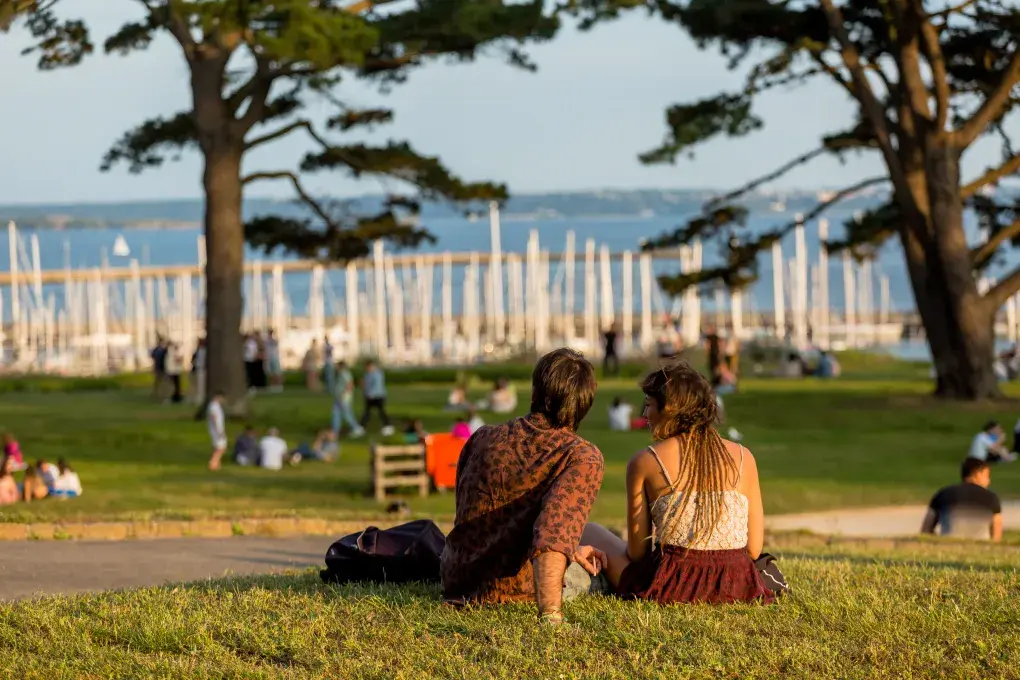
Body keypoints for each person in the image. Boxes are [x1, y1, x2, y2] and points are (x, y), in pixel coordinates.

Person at [580, 361, 774, 605]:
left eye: (649, 405)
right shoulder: (745, 457)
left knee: (591, 530)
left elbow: (638, 554)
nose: (644, 414)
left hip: (672, 587)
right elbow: (754, 550)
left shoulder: (645, 461)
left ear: (669, 408)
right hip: (736, 585)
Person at [441, 348, 608, 625]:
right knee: (598, 571)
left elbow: (473, 513)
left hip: (458, 579)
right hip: (514, 591)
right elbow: (552, 536)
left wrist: (570, 549)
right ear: (584, 406)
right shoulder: (580, 456)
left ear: (534, 393)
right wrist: (551, 615)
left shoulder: (481, 438)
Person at [922, 458, 1003, 542]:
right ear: (978, 474)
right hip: (980, 547)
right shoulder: (991, 498)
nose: (988, 481)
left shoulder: (942, 494)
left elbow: (925, 530)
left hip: (948, 546)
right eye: (987, 476)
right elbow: (996, 537)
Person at [360, 360, 394, 436]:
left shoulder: (377, 374)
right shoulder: (367, 374)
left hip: (378, 396)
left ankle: (388, 426)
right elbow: (366, 385)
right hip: (370, 396)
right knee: (367, 412)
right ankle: (362, 427)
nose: (367, 369)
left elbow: (376, 386)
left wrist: (369, 394)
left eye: (368, 367)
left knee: (381, 411)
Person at [332, 360, 364, 438]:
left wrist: (345, 395)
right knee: (336, 414)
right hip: (339, 398)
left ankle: (357, 428)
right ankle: (335, 432)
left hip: (344, 399)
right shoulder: (341, 374)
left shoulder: (345, 374)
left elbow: (350, 384)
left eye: (337, 366)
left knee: (346, 414)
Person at [206, 391, 227, 471]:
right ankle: (213, 463)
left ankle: (217, 463)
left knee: (218, 447)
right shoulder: (213, 406)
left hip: (218, 428)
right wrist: (219, 429)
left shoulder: (217, 406)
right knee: (220, 447)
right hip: (216, 429)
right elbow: (214, 417)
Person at [190, 337, 207, 405]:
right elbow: (193, 359)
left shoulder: (206, 351)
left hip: (204, 368)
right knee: (199, 383)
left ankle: (203, 396)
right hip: (198, 368)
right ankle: (199, 396)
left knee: (203, 383)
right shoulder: (197, 351)